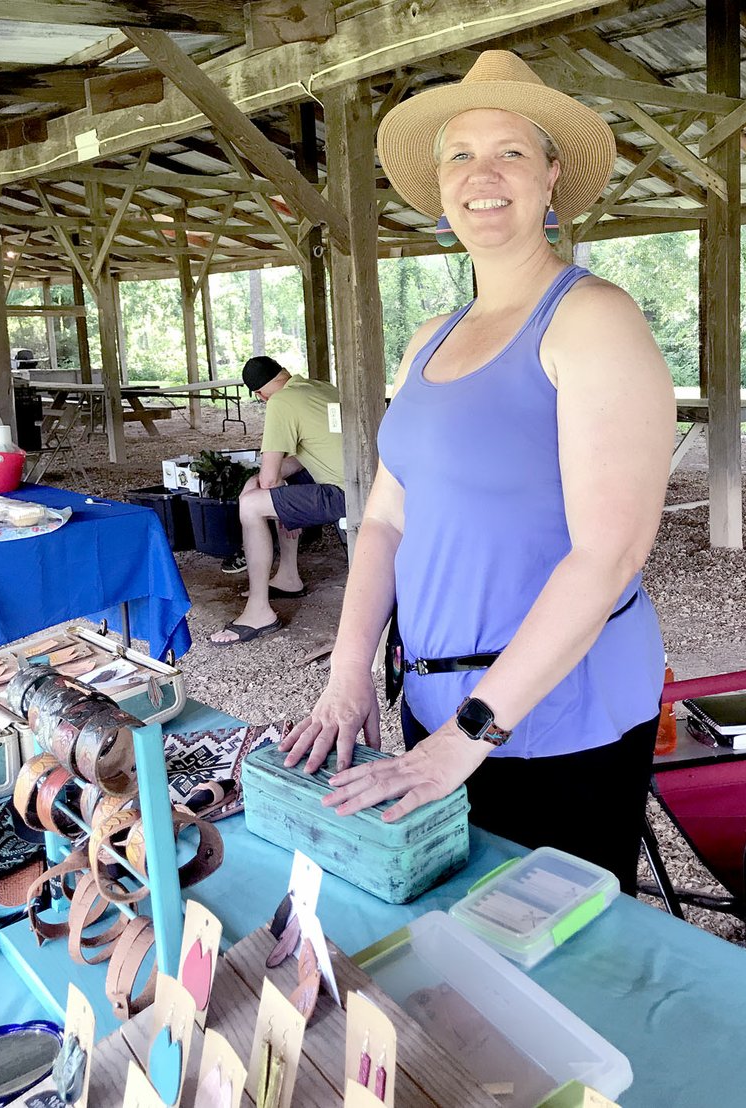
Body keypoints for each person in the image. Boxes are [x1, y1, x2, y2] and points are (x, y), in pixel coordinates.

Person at [278, 51, 676, 894]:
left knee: (553, 958)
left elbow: (608, 556)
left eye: (511, 153)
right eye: (459, 155)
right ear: (440, 185)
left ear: (551, 179)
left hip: (555, 720)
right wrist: (350, 671)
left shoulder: (593, 320)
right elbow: (386, 516)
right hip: (433, 706)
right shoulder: (431, 334)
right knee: (453, 940)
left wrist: (471, 733)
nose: (482, 175)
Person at [211, 355, 345, 646]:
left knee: (251, 506)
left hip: (346, 494)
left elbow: (270, 480)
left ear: (259, 395)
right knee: (256, 487)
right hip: (364, 481)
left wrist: (277, 498)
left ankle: (259, 611)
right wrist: (270, 489)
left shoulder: (280, 402)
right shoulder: (320, 388)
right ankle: (287, 577)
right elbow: (308, 454)